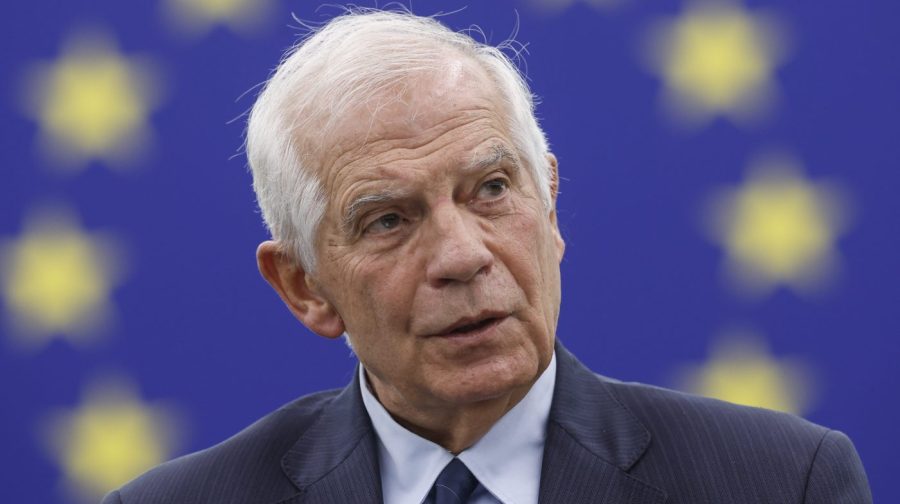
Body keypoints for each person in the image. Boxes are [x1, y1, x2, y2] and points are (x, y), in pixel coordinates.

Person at [102, 8, 871, 504]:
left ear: (551, 205)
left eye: (492, 188)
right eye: (388, 220)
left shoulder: (781, 483)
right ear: (305, 286)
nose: (463, 256)